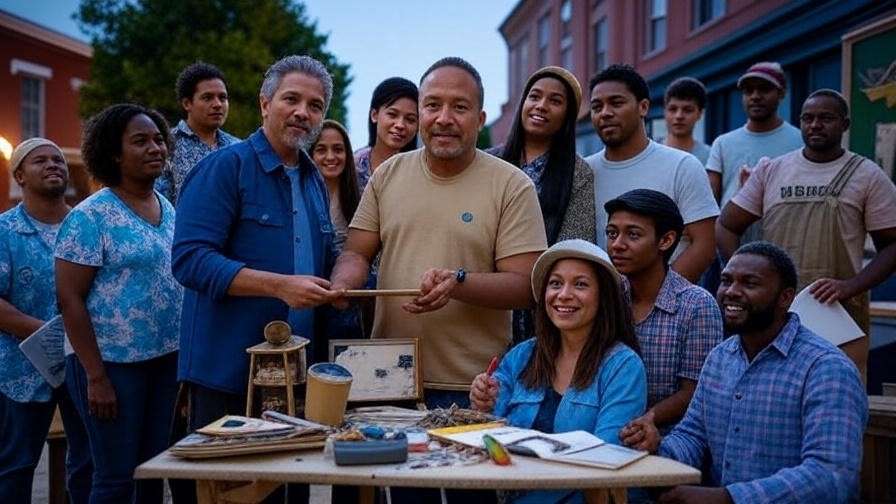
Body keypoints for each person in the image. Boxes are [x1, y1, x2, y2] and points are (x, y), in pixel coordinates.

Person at [331, 56, 547, 407]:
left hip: (473, 388)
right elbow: (357, 252)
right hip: (386, 380)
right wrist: (344, 283)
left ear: (479, 119)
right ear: (420, 113)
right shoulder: (388, 174)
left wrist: (458, 282)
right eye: (433, 105)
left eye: (459, 107)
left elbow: (526, 286)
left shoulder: (511, 185)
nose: (444, 118)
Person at [171, 55, 338, 503]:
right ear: (265, 104)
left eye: (316, 105)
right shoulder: (225, 168)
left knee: (290, 496)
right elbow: (189, 260)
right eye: (292, 99)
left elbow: (326, 255)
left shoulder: (312, 179)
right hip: (229, 378)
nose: (304, 112)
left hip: (295, 378)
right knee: (230, 496)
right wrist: (279, 285)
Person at [621, 242, 867, 504]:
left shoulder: (827, 369)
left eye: (749, 283)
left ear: (785, 298)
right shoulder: (720, 357)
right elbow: (693, 437)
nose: (731, 292)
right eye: (726, 281)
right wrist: (657, 447)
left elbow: (831, 476)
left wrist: (727, 498)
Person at [716, 89, 896, 375]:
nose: (815, 125)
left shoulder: (867, 174)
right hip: (775, 313)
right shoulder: (772, 170)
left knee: (837, 394)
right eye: (808, 118)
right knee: (771, 394)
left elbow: (892, 246)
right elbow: (726, 225)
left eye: (826, 118)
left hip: (838, 313)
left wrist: (852, 286)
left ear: (845, 124)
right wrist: (744, 275)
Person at [55, 104, 183, 503]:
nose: (155, 148)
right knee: (114, 478)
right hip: (110, 366)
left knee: (151, 472)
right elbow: (69, 298)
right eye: (140, 141)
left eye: (159, 139)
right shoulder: (90, 216)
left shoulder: (168, 207)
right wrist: (95, 377)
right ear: (114, 153)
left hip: (164, 361)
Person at [470, 239, 647, 504]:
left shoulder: (623, 365)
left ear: (604, 297)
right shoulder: (522, 355)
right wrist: (481, 404)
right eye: (555, 283)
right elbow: (488, 437)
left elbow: (606, 454)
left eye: (580, 284)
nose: (563, 294)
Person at [0, 139, 92, 504]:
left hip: (84, 364)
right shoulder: (5, 230)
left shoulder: (85, 224)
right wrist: (47, 333)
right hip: (19, 370)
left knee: (87, 461)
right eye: (40, 160)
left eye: (58, 159)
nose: (53, 164)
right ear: (20, 174)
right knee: (15, 466)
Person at [488, 66, 596, 344]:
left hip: (542, 304)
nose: (541, 106)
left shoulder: (577, 173)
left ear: (567, 117)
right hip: (485, 295)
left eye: (555, 101)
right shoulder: (488, 162)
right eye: (534, 96)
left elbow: (575, 244)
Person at [587, 64, 717, 283]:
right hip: (600, 308)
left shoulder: (682, 166)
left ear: (643, 107)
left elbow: (704, 246)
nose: (605, 113)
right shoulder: (584, 173)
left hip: (668, 310)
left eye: (616, 103)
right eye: (597, 106)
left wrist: (655, 300)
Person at [605, 189, 722, 431]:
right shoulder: (608, 296)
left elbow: (695, 392)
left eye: (633, 235)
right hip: (607, 428)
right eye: (612, 233)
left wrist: (644, 421)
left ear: (666, 240)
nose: (617, 245)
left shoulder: (697, 305)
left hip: (671, 438)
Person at [706, 62, 802, 206]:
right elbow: (710, 202)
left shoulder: (800, 141)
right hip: (731, 228)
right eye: (748, 91)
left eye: (764, 89)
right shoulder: (722, 143)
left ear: (781, 93)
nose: (755, 96)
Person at [155, 62, 240, 205]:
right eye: (207, 98)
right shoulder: (166, 145)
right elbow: (159, 204)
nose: (217, 104)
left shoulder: (237, 147)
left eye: (222, 97)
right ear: (187, 103)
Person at [310, 120, 364, 340]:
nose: (331, 157)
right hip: (309, 293)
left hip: (347, 299)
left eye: (338, 149)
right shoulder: (300, 199)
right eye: (321, 150)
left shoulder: (361, 199)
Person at [354, 77, 419, 189]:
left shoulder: (421, 171)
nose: (400, 125)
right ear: (374, 115)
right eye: (392, 115)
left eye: (410, 119)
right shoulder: (352, 166)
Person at [660, 77, 710, 165]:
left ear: (700, 114)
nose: (679, 116)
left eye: (688, 110)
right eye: (673, 109)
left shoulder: (710, 158)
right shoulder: (649, 154)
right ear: (664, 111)